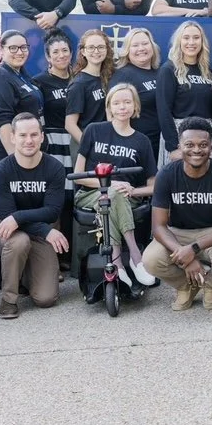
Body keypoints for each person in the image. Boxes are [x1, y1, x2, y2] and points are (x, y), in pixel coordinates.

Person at [142, 118, 212, 311]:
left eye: (203, 145)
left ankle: (211, 285)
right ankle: (186, 286)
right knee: (150, 260)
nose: (196, 150)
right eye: (189, 145)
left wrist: (192, 250)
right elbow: (158, 226)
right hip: (178, 232)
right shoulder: (166, 175)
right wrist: (184, 256)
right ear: (180, 147)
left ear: (211, 147)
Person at [73, 83, 158, 286]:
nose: (122, 107)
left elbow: (153, 186)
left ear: (135, 106)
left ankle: (117, 265)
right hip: (90, 193)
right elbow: (78, 176)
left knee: (113, 196)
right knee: (111, 193)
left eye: (127, 102)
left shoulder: (142, 141)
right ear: (109, 107)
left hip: (127, 198)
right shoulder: (93, 130)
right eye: (117, 103)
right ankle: (136, 257)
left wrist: (133, 190)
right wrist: (110, 184)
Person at [0, 29, 43, 287]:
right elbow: (3, 122)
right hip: (0, 158)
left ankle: (16, 272)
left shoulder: (20, 74)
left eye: (23, 47)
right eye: (12, 48)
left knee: (15, 214)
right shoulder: (0, 77)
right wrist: (15, 163)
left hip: (19, 154)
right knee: (1, 217)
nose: (19, 52)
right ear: (1, 49)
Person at [0, 113, 68, 318]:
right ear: (13, 137)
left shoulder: (54, 168)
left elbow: (52, 211)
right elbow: (7, 215)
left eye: (34, 134)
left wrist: (19, 218)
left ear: (42, 137)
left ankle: (25, 276)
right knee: (19, 242)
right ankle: (8, 300)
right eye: (23, 135)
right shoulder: (0, 171)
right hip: (6, 230)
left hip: (40, 231)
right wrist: (43, 229)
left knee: (46, 298)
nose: (29, 140)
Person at [32, 30, 76, 236]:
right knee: (57, 196)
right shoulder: (39, 82)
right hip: (53, 144)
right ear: (48, 57)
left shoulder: (79, 79)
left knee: (75, 195)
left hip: (75, 142)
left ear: (71, 53)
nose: (61, 55)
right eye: (55, 52)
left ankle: (73, 246)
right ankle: (54, 246)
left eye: (65, 50)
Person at [156, 21, 212, 164]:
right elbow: (163, 110)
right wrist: (173, 146)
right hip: (179, 136)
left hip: (205, 135)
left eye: (196, 37)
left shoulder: (207, 70)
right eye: (186, 37)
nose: (191, 42)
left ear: (202, 41)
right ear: (179, 41)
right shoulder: (169, 69)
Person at [109, 28, 162, 162]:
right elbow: (111, 112)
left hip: (161, 143)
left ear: (152, 46)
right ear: (127, 50)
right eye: (135, 45)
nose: (141, 48)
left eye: (145, 43)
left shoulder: (160, 72)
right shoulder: (123, 75)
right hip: (134, 146)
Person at [65, 28, 113, 161]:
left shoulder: (109, 78)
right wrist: (89, 147)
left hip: (106, 143)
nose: (96, 51)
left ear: (107, 50)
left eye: (100, 47)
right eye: (91, 47)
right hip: (86, 146)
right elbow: (70, 124)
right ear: (83, 52)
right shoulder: (79, 84)